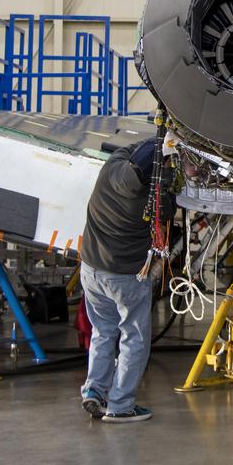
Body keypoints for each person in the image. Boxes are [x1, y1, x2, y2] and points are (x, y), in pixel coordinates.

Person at [78, 139, 161, 423]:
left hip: (91, 270)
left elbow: (125, 150)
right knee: (134, 338)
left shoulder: (109, 170)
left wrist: (155, 142)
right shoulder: (150, 202)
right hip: (125, 278)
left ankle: (94, 390)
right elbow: (171, 209)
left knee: (103, 331)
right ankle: (121, 405)